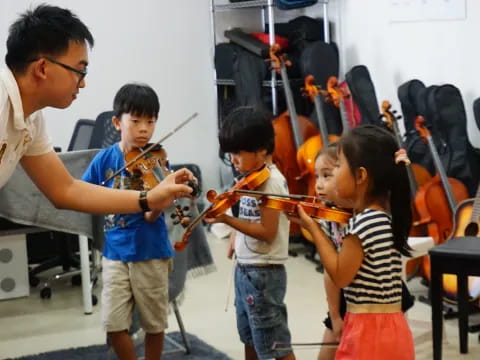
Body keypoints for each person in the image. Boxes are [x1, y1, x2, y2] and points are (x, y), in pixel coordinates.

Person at [0, 4, 193, 214]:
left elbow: (65, 190)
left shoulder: (32, 120)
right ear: (42, 68)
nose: (82, 83)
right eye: (80, 71)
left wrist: (149, 198)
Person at [293, 125, 415, 359]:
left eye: (337, 166)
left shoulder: (362, 224)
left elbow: (339, 275)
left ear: (360, 176)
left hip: (367, 332)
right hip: (392, 327)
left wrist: (313, 228)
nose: (333, 174)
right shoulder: (382, 216)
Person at [82, 83, 173, 360]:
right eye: (135, 121)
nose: (144, 129)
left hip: (150, 251)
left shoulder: (157, 161)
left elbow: (149, 214)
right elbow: (84, 193)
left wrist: (160, 201)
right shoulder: (104, 159)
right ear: (117, 122)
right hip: (114, 252)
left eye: (151, 121)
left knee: (153, 322)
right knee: (113, 323)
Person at [205, 106, 296, 360]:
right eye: (230, 153)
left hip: (264, 273)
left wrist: (226, 221)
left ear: (262, 150)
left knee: (273, 341)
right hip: (247, 268)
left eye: (237, 153)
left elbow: (267, 231)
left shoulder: (271, 183)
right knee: (250, 335)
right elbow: (249, 216)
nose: (232, 160)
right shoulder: (250, 178)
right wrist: (236, 236)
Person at [313, 143, 347, 360]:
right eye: (317, 176)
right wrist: (334, 315)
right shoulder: (331, 217)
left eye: (326, 175)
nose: (318, 184)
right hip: (343, 295)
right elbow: (330, 272)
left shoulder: (365, 218)